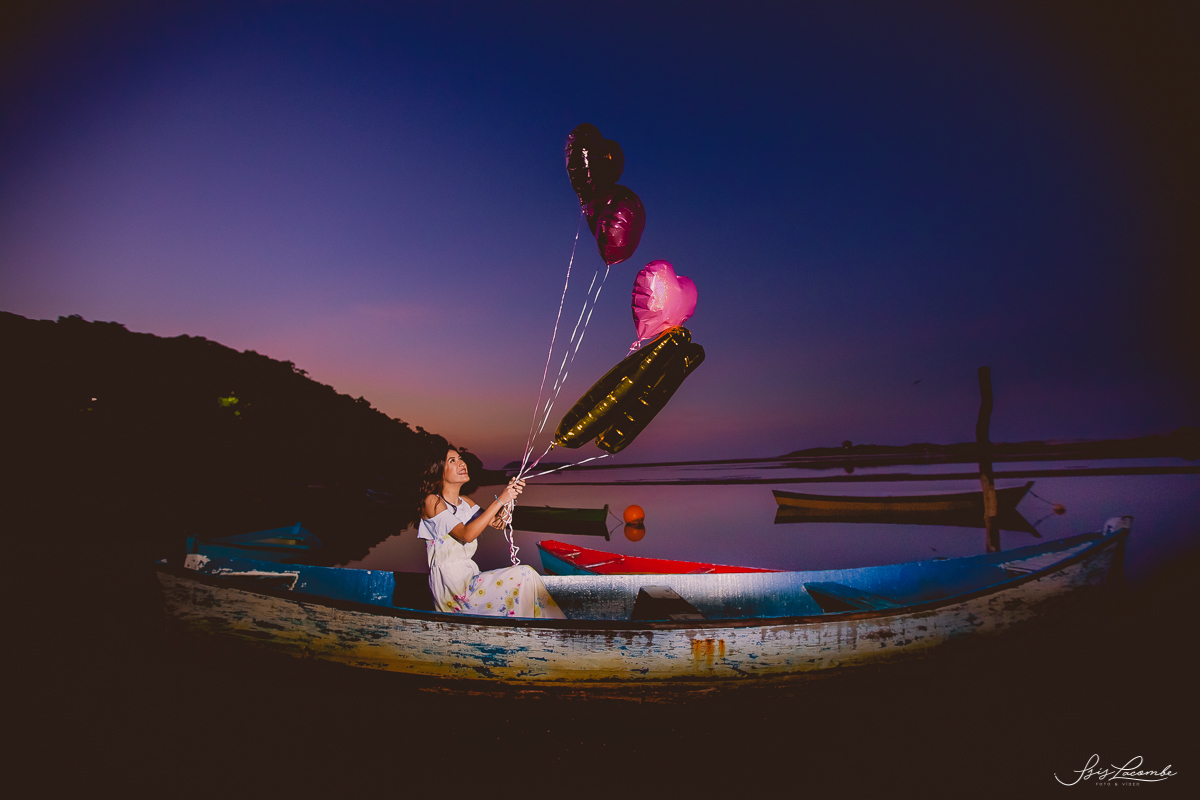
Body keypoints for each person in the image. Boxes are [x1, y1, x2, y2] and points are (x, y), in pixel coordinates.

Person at [417, 448, 566, 619]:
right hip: (451, 588)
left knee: (527, 574)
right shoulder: (432, 501)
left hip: (470, 577)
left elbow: (498, 523)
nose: (461, 463)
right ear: (439, 471)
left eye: (460, 458)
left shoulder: (465, 502)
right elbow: (466, 535)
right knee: (523, 574)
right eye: (452, 461)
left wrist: (510, 497)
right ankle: (539, 628)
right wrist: (500, 499)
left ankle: (555, 627)